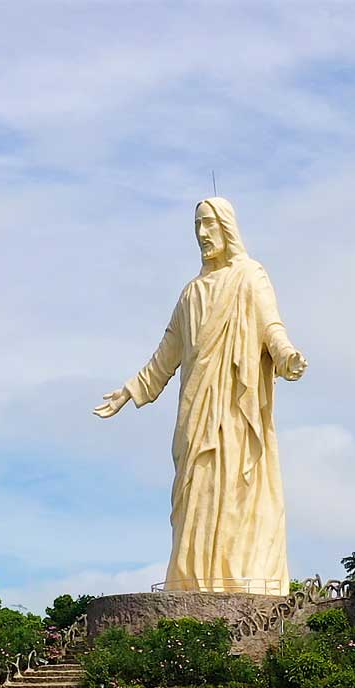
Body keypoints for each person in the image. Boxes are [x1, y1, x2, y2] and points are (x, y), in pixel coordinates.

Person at [94, 198, 306, 594]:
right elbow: (166, 354)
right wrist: (129, 391)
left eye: (208, 224)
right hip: (196, 410)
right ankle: (193, 579)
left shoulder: (250, 276)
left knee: (236, 490)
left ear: (227, 227)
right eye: (197, 227)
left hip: (236, 412)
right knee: (196, 491)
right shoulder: (190, 294)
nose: (202, 234)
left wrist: (284, 354)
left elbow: (270, 325)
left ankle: (239, 575)